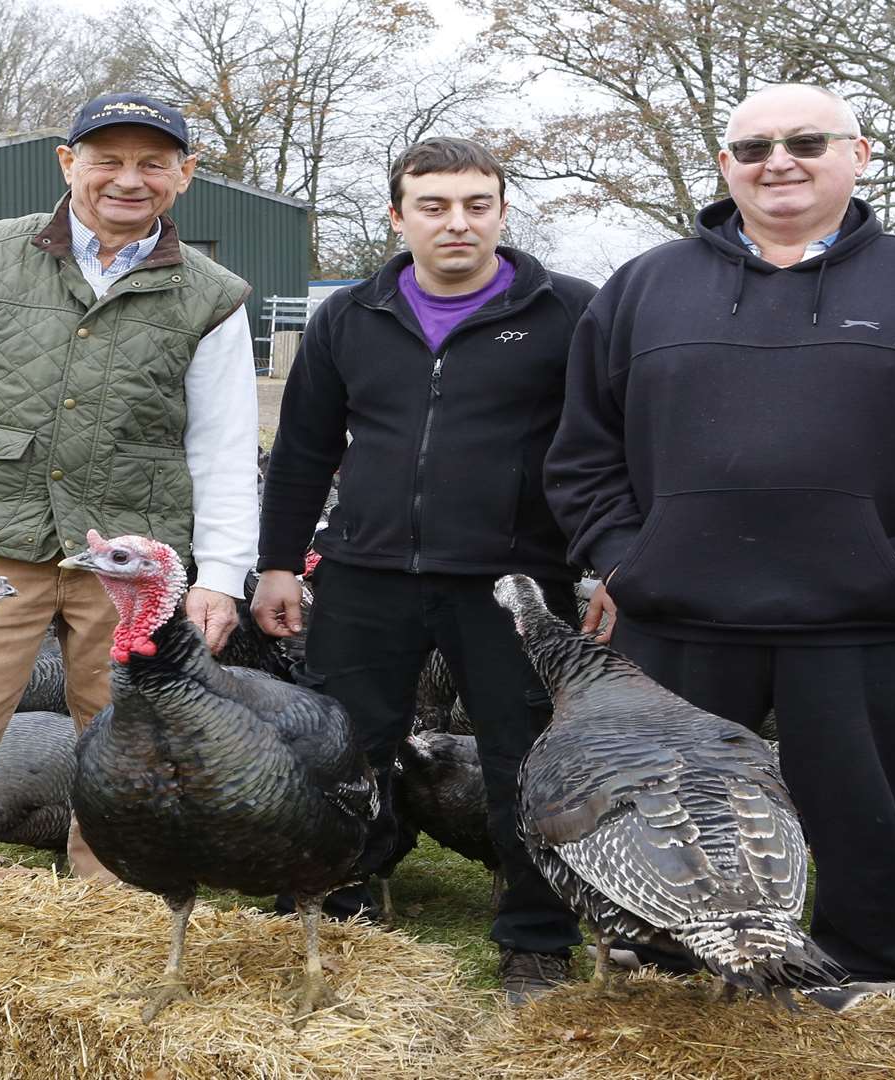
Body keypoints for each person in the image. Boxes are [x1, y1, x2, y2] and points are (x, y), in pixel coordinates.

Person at [544, 83, 895, 1003]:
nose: (779, 162)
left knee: (866, 808)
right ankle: (675, 962)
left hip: (866, 617)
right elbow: (582, 450)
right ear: (725, 166)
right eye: (753, 147)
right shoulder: (647, 285)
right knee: (670, 811)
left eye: (806, 141)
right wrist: (628, 560)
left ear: (860, 153)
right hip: (679, 618)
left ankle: (870, 969)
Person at [0, 93, 259, 876]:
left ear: (186, 175)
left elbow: (224, 449)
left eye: (152, 163)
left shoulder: (215, 296)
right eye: (107, 160)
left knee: (130, 750)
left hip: (130, 565)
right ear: (68, 164)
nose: (128, 180)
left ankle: (104, 922)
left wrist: (223, 577)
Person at [250, 136, 597, 1004]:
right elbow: (301, 451)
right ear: (398, 216)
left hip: (512, 584)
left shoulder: (570, 313)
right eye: (434, 205)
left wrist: (598, 569)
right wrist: (279, 564)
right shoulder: (349, 316)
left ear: (503, 212)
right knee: (343, 753)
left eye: (477, 204)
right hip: (368, 573)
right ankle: (334, 914)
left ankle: (535, 942)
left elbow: (604, 452)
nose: (458, 222)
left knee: (527, 762)